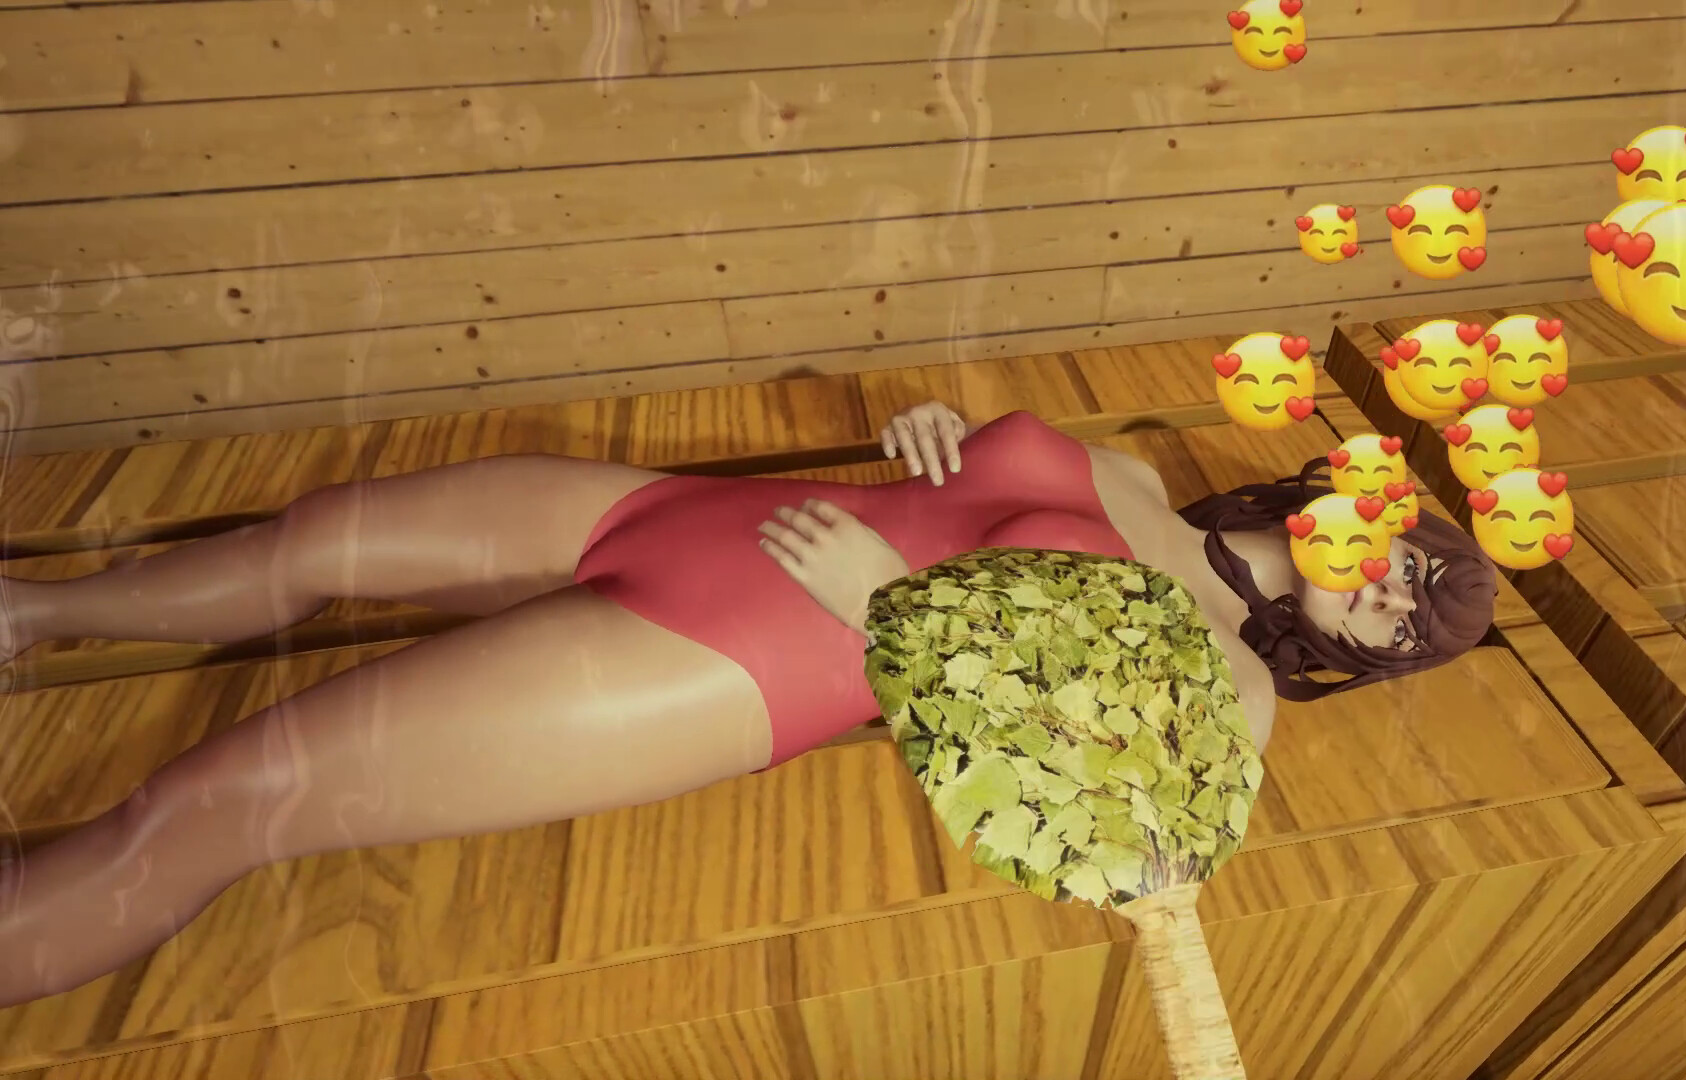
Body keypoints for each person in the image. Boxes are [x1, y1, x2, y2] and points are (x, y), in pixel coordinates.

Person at [0, 401, 1496, 1006]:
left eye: (1411, 626)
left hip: (729, 665)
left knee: (218, 806)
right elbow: (969, 480)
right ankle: (30, 612)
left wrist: (892, 610)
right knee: (301, 547)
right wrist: (935, 429)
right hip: (690, 516)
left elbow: (1096, 837)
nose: (1393, 593)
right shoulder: (1136, 473)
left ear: (1373, 660)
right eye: (1414, 562)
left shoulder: (1235, 687)